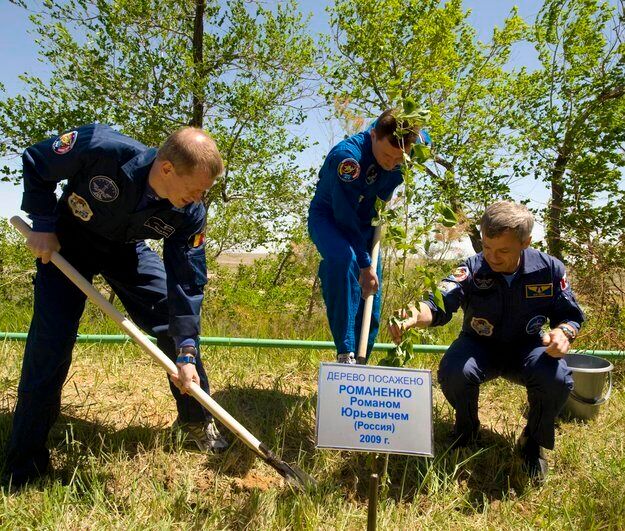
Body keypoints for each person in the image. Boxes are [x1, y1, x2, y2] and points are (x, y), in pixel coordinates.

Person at [2, 123, 227, 489]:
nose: (199, 197)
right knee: (50, 345)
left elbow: (187, 280)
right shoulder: (99, 147)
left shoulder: (189, 212)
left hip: (127, 251)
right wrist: (43, 224)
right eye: (195, 188)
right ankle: (24, 464)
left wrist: (186, 351)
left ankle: (196, 421)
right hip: (66, 243)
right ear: (167, 168)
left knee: (172, 320)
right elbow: (37, 160)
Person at [388, 201, 584, 482]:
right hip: (478, 346)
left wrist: (564, 333)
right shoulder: (471, 267)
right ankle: (466, 431)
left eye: (503, 250)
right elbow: (439, 302)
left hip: (528, 347)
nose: (491, 256)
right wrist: (413, 315)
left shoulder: (549, 269)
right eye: (486, 246)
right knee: (455, 371)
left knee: (557, 377)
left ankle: (532, 442)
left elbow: (570, 315)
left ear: (525, 243)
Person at [308, 109, 430, 364]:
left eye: (399, 159)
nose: (391, 163)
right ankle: (346, 352)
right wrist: (364, 263)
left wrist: (368, 267)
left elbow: (425, 140)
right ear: (373, 135)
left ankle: (363, 360)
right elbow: (344, 217)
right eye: (387, 155)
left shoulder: (413, 146)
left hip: (367, 223)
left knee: (371, 290)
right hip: (332, 218)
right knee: (345, 260)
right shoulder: (348, 160)